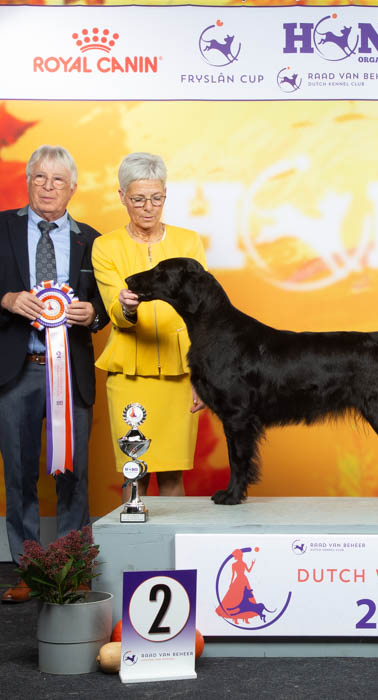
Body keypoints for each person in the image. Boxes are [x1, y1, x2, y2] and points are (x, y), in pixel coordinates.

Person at [0, 145, 107, 602]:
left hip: (71, 372)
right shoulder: (2, 227)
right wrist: (5, 299)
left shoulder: (93, 240)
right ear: (28, 181)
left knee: (74, 475)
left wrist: (93, 314)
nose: (48, 187)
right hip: (16, 371)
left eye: (58, 179)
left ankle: (73, 568)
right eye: (40, 177)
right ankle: (30, 571)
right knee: (19, 475)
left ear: (73, 188)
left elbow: (107, 303)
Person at [92, 152, 207, 501]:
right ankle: (133, 538)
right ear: (122, 196)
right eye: (138, 199)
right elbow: (115, 309)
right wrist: (126, 308)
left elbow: (203, 314)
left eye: (156, 198)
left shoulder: (189, 242)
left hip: (180, 374)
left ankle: (175, 540)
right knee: (135, 471)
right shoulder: (105, 247)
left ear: (165, 195)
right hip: (129, 377)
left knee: (172, 475)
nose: (148, 208)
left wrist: (203, 375)